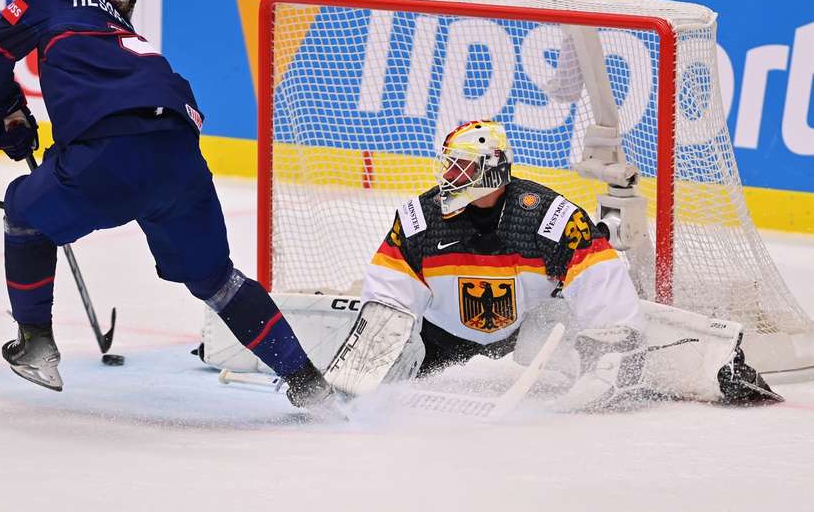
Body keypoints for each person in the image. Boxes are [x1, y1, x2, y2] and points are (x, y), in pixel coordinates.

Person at [0, 0, 332, 409]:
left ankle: (35, 341)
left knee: (24, 212)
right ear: (127, 3)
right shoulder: (135, 43)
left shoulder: (47, 1)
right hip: (179, 159)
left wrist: (5, 112)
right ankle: (308, 380)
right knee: (218, 281)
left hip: (106, 158)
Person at [323, 120, 782, 410]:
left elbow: (602, 280)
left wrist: (608, 357)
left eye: (460, 168)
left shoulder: (548, 216)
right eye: (449, 167)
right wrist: (356, 375)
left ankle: (711, 364)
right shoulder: (422, 217)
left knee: (604, 343)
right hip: (440, 335)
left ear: (490, 169)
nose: (448, 178)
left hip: (530, 332)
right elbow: (386, 299)